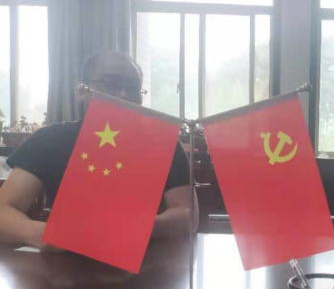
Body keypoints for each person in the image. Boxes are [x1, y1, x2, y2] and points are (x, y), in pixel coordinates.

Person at [0, 51, 198, 251]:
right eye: (110, 84)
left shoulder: (163, 142)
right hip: (66, 261)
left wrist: (137, 227)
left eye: (132, 87)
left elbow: (188, 214)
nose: (123, 94)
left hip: (146, 260)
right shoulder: (50, 139)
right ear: (81, 91)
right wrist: (40, 234)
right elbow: (4, 210)